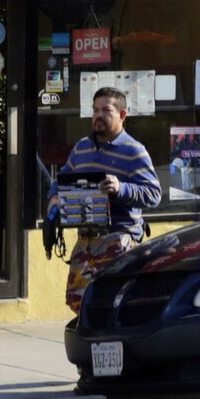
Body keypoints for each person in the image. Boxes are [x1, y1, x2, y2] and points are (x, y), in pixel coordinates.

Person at [49, 84, 162, 314]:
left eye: (106, 110)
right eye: (95, 110)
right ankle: (89, 347)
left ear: (122, 115)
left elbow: (153, 194)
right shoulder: (81, 148)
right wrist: (53, 199)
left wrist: (121, 188)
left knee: (114, 305)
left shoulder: (134, 151)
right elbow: (60, 181)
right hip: (85, 242)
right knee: (79, 304)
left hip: (118, 242)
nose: (99, 115)